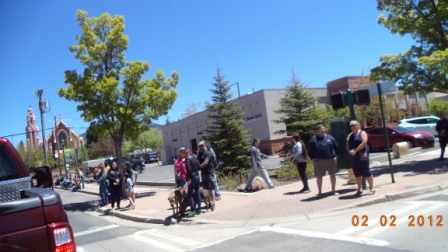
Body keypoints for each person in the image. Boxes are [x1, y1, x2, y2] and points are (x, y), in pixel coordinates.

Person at [308, 124, 339, 197]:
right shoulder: (314, 139)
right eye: (320, 129)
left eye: (323, 128)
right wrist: (313, 158)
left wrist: (335, 156)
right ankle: (319, 192)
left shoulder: (330, 137)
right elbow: (310, 150)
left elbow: (336, 147)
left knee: (332, 175)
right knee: (319, 177)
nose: (322, 130)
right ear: (317, 131)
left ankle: (333, 191)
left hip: (331, 160)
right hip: (319, 161)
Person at [346, 120, 375, 196]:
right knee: (357, 173)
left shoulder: (362, 133)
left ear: (358, 125)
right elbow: (347, 146)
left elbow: (364, 143)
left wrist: (355, 150)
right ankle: (359, 189)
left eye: (354, 125)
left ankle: (371, 188)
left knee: (366, 172)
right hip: (353, 157)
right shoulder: (350, 135)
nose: (352, 127)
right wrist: (349, 151)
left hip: (362, 156)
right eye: (351, 126)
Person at [197, 140, 216, 209]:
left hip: (209, 173)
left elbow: (205, 162)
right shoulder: (199, 154)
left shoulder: (208, 153)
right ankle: (208, 203)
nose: (200, 147)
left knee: (211, 188)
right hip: (203, 173)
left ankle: (213, 203)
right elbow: (197, 161)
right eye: (199, 146)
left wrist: (198, 168)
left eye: (202, 145)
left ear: (205, 145)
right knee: (205, 189)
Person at [185, 148, 202, 217]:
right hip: (197, 176)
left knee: (189, 194)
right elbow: (199, 167)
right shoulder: (195, 157)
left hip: (192, 177)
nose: (184, 155)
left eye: (184, 153)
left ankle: (193, 211)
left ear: (187, 153)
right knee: (197, 192)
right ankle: (199, 209)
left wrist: (188, 178)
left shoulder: (187, 159)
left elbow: (188, 169)